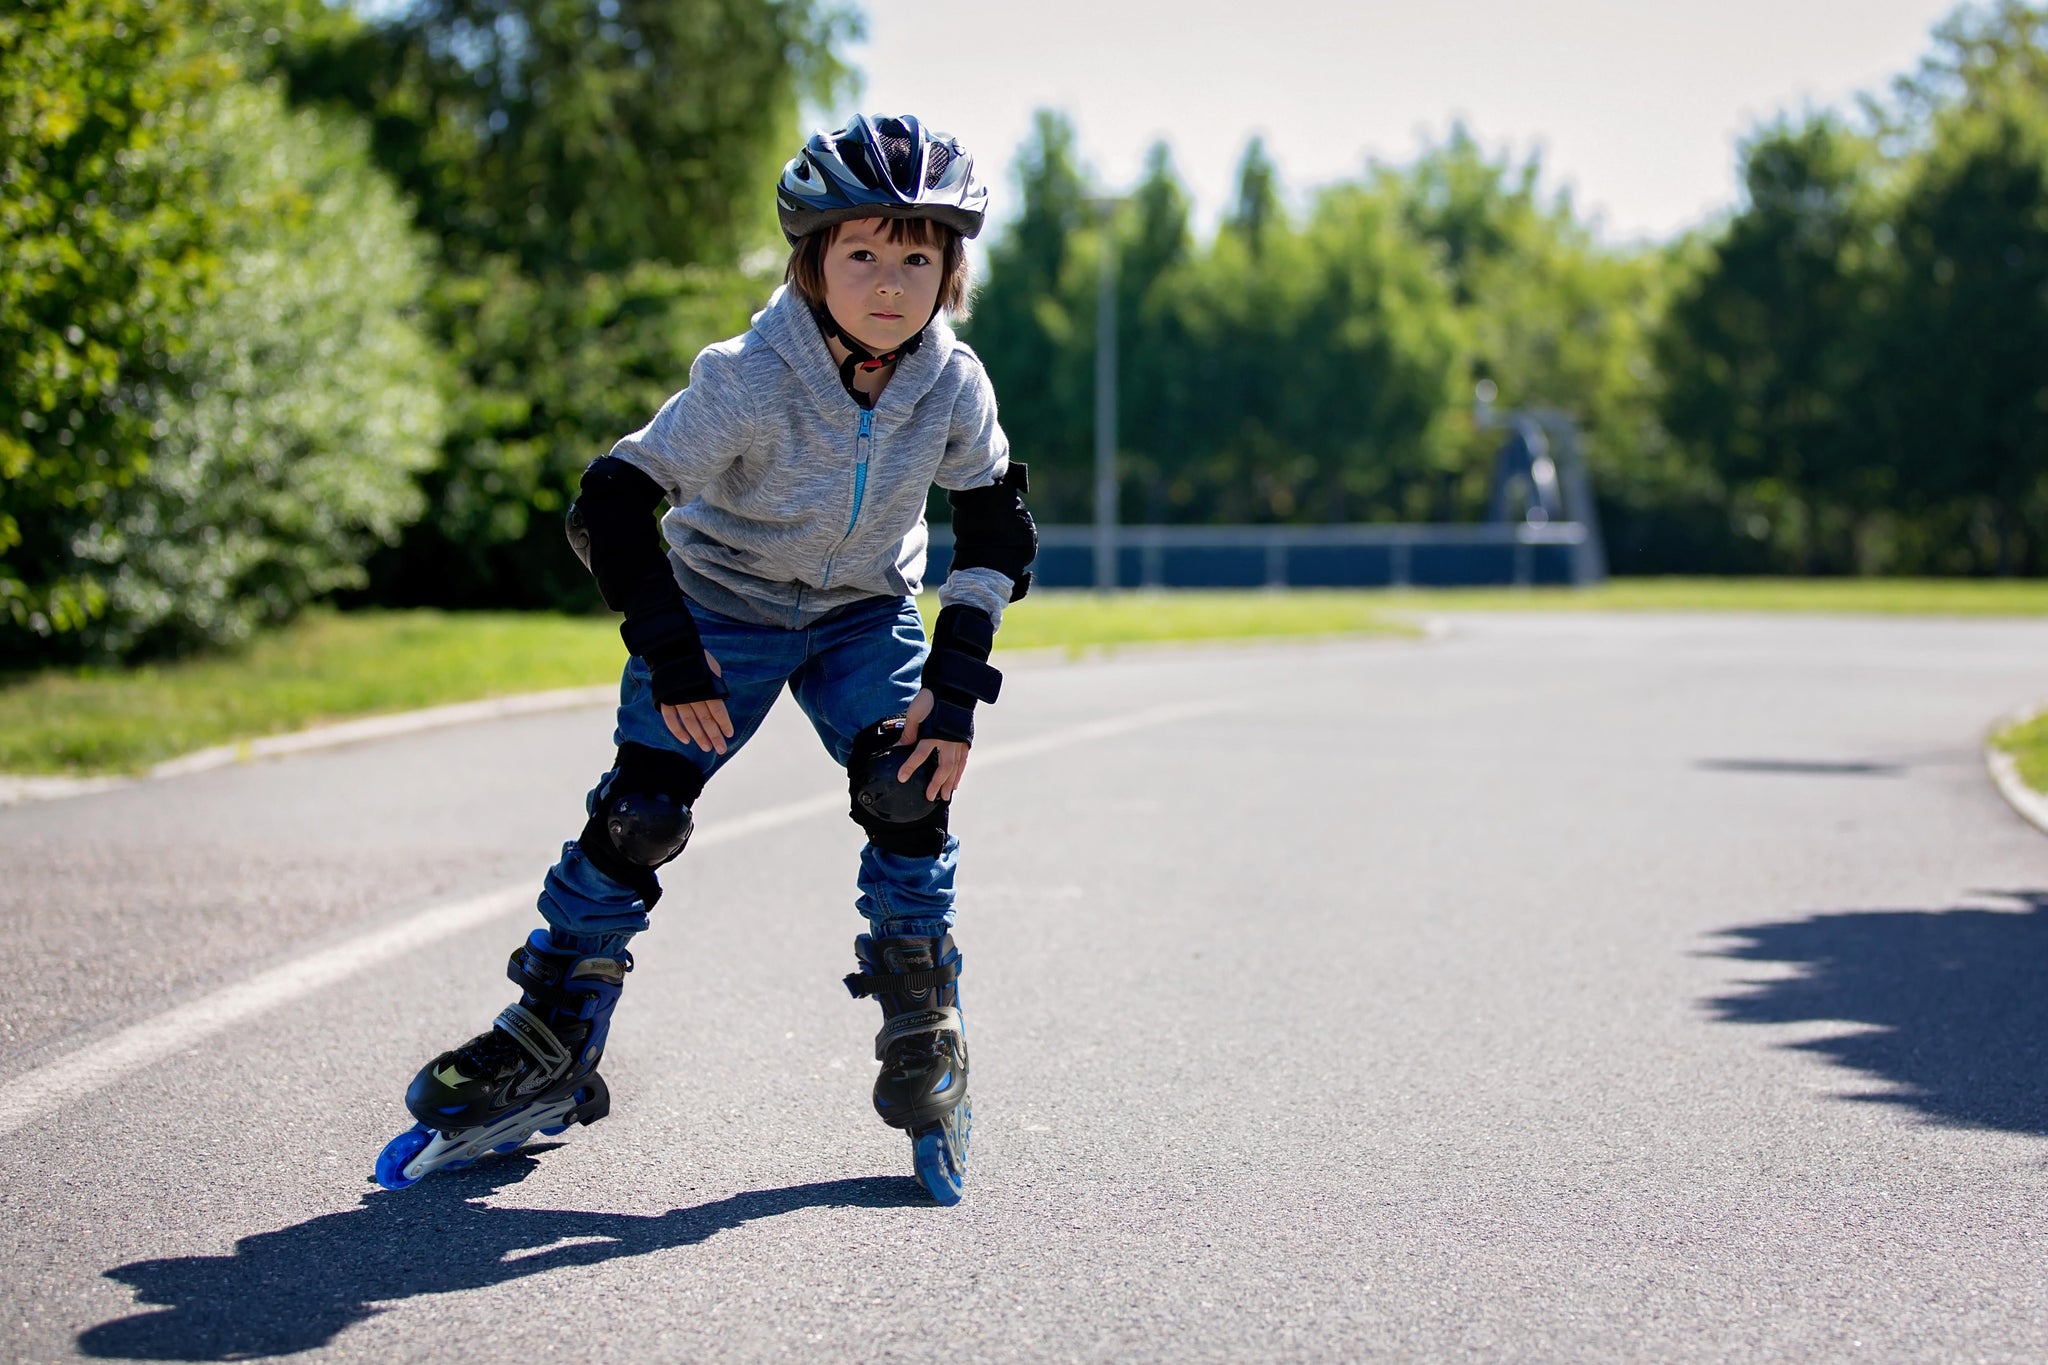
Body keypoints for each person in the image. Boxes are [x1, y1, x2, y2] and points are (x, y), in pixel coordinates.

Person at [373, 114, 1036, 1206]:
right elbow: (613, 501)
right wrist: (673, 656)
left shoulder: (953, 386)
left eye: (917, 256)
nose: (889, 282)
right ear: (810, 259)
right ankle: (555, 1026)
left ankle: (924, 1014)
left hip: (863, 611)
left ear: (950, 270)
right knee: (641, 813)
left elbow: (998, 528)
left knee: (905, 785)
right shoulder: (747, 377)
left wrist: (954, 688)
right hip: (719, 613)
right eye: (860, 252)